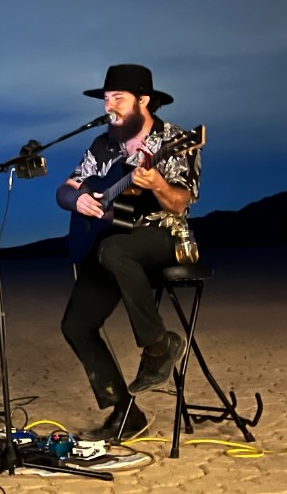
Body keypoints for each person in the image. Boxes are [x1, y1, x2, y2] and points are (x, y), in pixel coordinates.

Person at [56, 64, 201, 441]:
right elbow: (65, 189)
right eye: (106, 99)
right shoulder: (103, 145)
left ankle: (158, 346)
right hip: (111, 244)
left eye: (118, 98)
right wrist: (80, 199)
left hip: (162, 237)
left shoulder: (175, 140)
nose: (110, 106)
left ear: (144, 101)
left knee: (115, 250)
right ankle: (126, 413)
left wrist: (156, 184)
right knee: (76, 325)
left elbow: (180, 203)